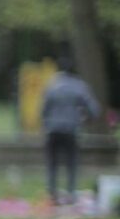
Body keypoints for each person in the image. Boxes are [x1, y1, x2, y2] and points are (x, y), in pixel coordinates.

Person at [41, 56, 101, 204]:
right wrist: (85, 120)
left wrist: (47, 122)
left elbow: (43, 110)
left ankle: (52, 194)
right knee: (72, 163)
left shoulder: (51, 85)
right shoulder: (79, 86)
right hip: (71, 129)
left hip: (53, 130)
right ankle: (71, 194)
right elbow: (94, 109)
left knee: (52, 163)